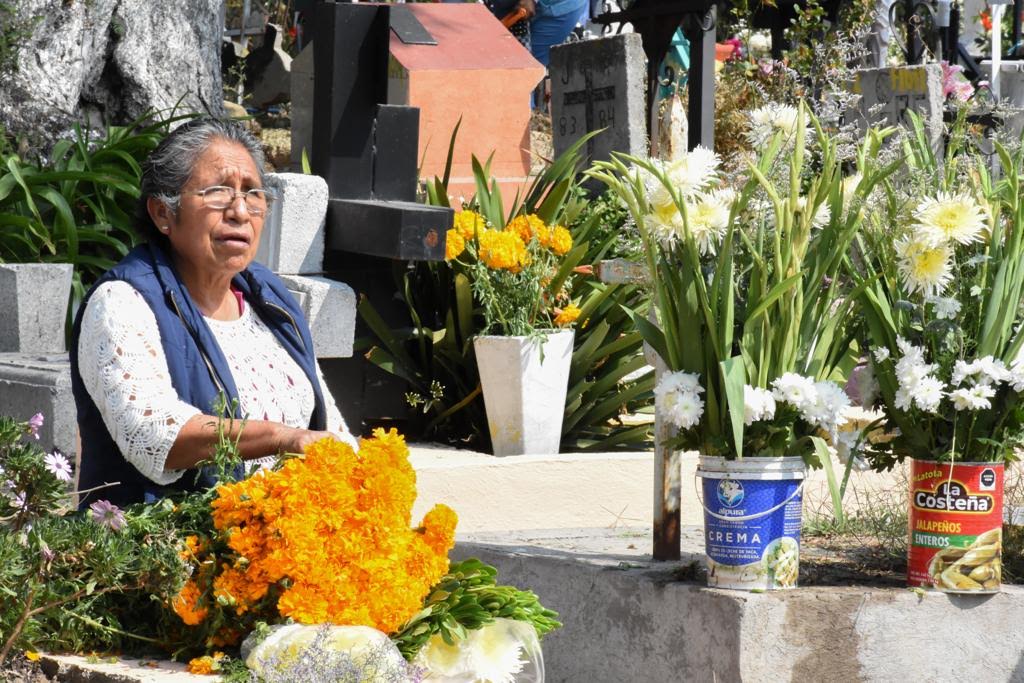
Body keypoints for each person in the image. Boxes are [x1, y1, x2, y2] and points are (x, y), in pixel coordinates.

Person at [70, 118, 357, 508]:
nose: (240, 210)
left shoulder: (270, 300)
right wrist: (280, 439)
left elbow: (331, 428)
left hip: (276, 544)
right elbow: (155, 435)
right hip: (162, 552)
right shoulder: (122, 302)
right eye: (218, 192)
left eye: (253, 193)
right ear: (162, 214)